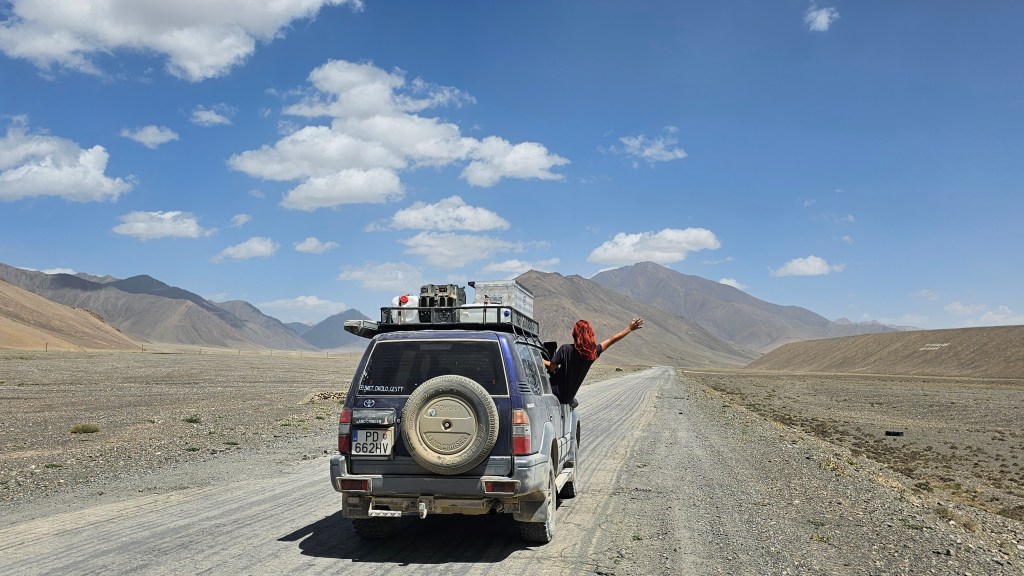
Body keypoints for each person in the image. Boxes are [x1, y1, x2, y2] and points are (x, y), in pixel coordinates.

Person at [544, 317, 643, 406]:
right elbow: (612, 340)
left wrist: (542, 360)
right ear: (590, 334)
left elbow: (552, 367)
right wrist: (629, 328)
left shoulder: (565, 349)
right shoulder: (592, 353)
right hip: (567, 398)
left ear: (575, 334)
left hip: (554, 393)